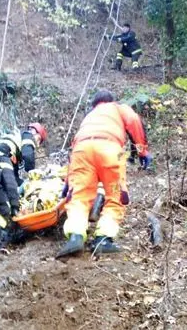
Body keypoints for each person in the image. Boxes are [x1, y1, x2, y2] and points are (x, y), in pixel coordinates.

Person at [57, 90, 152, 258]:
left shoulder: (89, 117)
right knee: (115, 195)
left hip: (81, 153)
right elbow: (134, 122)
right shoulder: (117, 108)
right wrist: (142, 151)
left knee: (79, 196)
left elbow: (75, 147)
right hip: (110, 151)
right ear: (110, 100)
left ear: (95, 104)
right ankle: (103, 240)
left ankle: (75, 237)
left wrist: (68, 184)